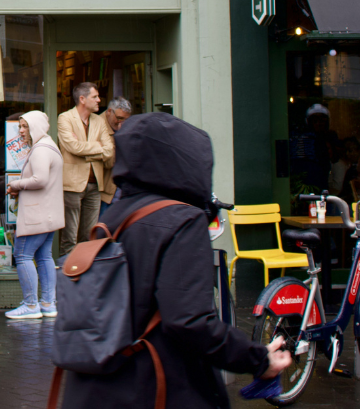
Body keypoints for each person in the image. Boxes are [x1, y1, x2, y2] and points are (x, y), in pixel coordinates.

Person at [65, 112, 292, 409]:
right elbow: (189, 321)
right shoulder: (182, 219)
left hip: (95, 388)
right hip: (156, 386)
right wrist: (258, 358)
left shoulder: (116, 216)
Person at [5, 111, 64, 320]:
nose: (21, 131)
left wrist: (15, 185)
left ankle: (31, 304)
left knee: (22, 255)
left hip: (36, 215)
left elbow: (40, 179)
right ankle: (48, 303)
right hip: (48, 214)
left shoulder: (40, 150)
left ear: (35, 127)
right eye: (20, 127)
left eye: (25, 127)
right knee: (44, 255)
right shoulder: (49, 146)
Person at [57, 82, 114, 257]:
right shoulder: (65, 118)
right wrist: (98, 147)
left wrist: (86, 152)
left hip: (95, 185)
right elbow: (73, 147)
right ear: (82, 99)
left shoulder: (99, 120)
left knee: (89, 236)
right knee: (70, 237)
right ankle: (66, 277)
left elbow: (110, 150)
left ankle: (84, 276)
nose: (99, 100)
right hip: (72, 184)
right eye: (95, 97)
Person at [100, 97, 132, 215]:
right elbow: (108, 162)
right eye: (119, 118)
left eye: (125, 120)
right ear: (109, 112)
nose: (121, 123)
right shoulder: (97, 125)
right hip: (104, 193)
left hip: (123, 191)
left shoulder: (125, 126)